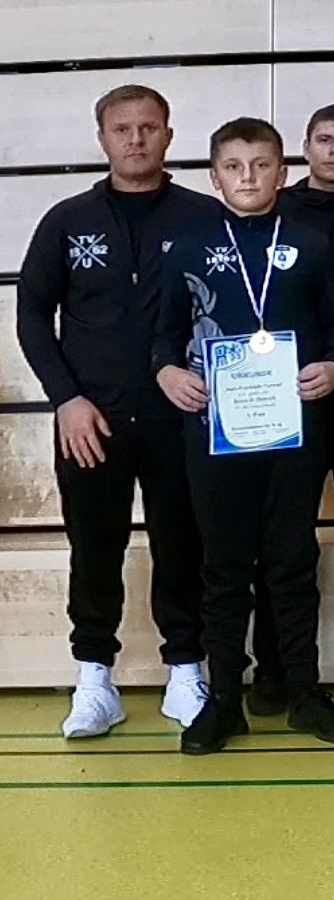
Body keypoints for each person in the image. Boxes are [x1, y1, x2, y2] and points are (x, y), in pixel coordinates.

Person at [153, 117, 334, 753]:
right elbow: (163, 333)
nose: (248, 177)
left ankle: (302, 690)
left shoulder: (311, 243)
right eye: (234, 167)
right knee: (222, 565)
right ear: (214, 177)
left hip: (294, 429)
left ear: (282, 172)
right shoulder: (186, 247)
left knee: (293, 560)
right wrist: (166, 372)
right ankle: (223, 700)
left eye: (261, 165)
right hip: (215, 431)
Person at [17, 85, 216, 738]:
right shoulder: (67, 220)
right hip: (90, 421)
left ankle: (185, 671)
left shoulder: (203, 217)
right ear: (101, 137)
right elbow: (31, 314)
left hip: (179, 416)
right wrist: (65, 398)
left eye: (148, 127)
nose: (136, 139)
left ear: (169, 135)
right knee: (94, 546)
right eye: (122, 128)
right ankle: (95, 679)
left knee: (182, 543)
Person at [247, 104, 334, 715]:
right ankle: (276, 668)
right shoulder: (277, 211)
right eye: (324, 139)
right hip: (286, 399)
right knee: (282, 538)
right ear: (304, 148)